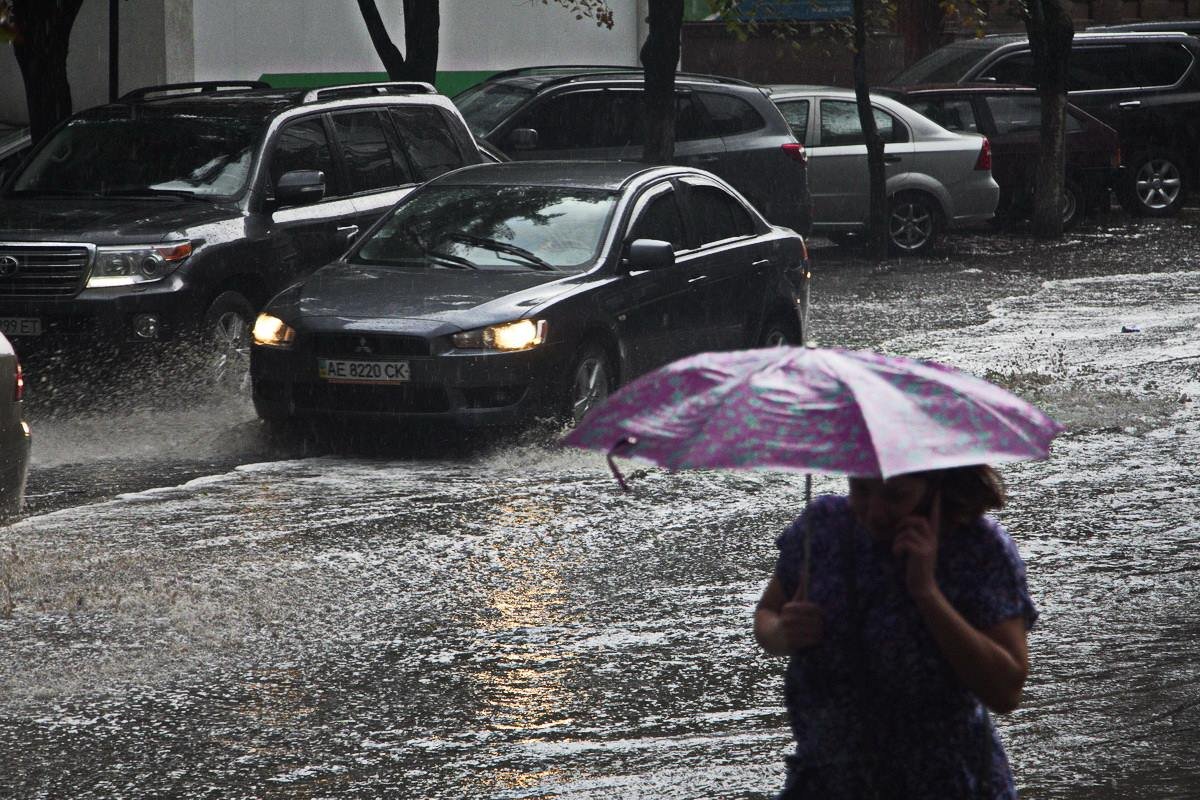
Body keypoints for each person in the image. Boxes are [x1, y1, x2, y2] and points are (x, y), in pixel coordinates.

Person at [755, 465, 1037, 799]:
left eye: (896, 496)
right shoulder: (824, 527)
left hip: (945, 783)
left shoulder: (977, 546)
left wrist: (927, 593)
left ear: (933, 486)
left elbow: (1006, 690)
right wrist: (783, 633)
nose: (875, 512)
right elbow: (767, 614)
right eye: (861, 489)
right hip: (826, 780)